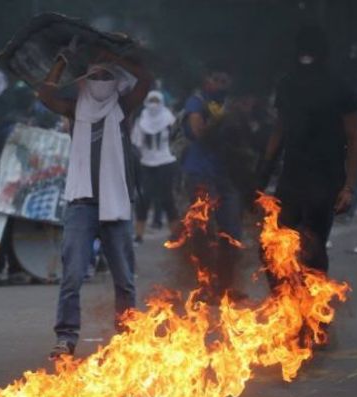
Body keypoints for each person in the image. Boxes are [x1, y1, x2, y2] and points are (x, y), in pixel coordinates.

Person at [37, 47, 152, 359]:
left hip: (116, 205)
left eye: (107, 76)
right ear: (85, 80)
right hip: (81, 205)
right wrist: (61, 60)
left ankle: (127, 337)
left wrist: (118, 59)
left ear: (116, 81)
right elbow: (45, 95)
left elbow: (146, 79)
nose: (101, 81)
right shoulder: (75, 109)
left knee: (125, 280)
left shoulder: (123, 107)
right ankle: (66, 337)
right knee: (72, 276)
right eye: (95, 75)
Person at [258, 26, 357, 277]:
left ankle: (312, 311)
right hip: (292, 178)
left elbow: (354, 137)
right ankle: (284, 305)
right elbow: (279, 130)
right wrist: (263, 171)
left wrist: (349, 186)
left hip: (326, 180)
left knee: (313, 247)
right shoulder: (288, 84)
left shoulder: (341, 89)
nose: (306, 57)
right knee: (275, 244)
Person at [178, 65, 243, 298]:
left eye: (225, 80)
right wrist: (220, 119)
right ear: (207, 79)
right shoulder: (197, 102)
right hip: (200, 174)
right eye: (216, 79)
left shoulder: (229, 103)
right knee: (202, 232)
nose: (220, 84)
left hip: (224, 174)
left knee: (231, 232)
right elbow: (197, 132)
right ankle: (204, 286)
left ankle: (224, 286)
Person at [131, 90, 179, 243]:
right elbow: (136, 140)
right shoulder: (142, 119)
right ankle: (139, 234)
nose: (153, 105)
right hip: (147, 162)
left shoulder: (169, 119)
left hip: (165, 160)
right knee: (143, 199)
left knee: (167, 198)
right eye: (150, 101)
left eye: (156, 101)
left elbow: (176, 138)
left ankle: (176, 233)